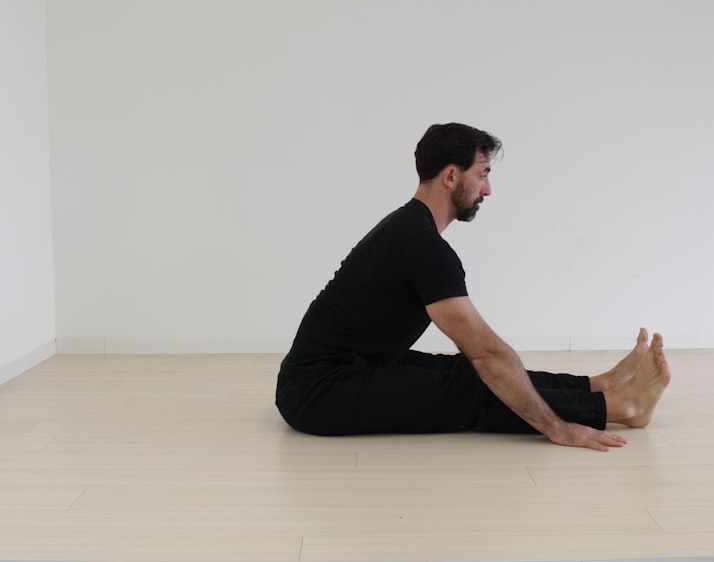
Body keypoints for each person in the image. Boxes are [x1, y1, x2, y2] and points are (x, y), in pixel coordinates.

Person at [275, 123, 670, 451]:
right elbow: (487, 354)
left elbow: (481, 358)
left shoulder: (409, 229)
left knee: (460, 370)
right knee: (469, 386)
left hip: (346, 370)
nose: (487, 189)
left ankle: (597, 386)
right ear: (451, 176)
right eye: (482, 174)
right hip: (319, 394)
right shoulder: (422, 246)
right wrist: (558, 428)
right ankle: (620, 407)